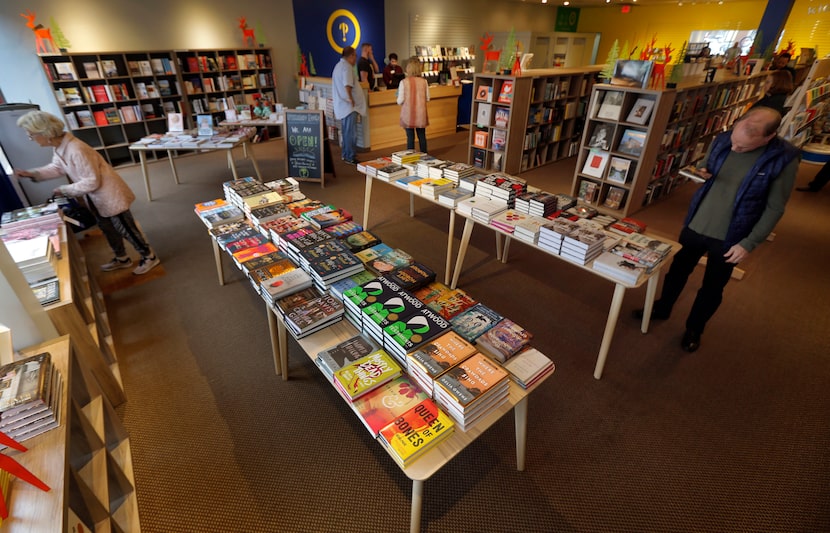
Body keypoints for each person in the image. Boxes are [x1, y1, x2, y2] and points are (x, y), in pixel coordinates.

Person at [634, 107, 799, 353]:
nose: (734, 149)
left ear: (768, 137)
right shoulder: (724, 139)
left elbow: (775, 209)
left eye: (742, 148)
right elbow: (705, 164)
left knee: (713, 286)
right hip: (697, 222)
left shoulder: (783, 159)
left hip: (732, 236)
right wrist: (699, 171)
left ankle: (694, 328)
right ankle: (663, 307)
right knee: (677, 270)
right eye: (733, 142)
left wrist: (748, 243)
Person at [15, 110, 160, 275]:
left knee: (125, 228)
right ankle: (122, 258)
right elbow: (57, 167)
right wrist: (33, 174)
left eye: (31, 135)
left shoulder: (76, 149)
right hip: (95, 197)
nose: (31, 139)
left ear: (45, 132)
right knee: (107, 228)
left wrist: (64, 190)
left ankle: (149, 256)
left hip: (110, 195)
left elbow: (92, 181)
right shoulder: (59, 146)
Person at [332, 46, 367, 165]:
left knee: (347, 131)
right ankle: (350, 156)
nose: (355, 59)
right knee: (350, 132)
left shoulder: (338, 66)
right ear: (351, 56)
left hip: (344, 106)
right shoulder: (346, 67)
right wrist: (351, 99)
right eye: (355, 56)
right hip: (348, 106)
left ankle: (346, 154)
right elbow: (348, 85)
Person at [397, 57, 430, 153]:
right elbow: (427, 98)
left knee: (410, 137)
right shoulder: (424, 82)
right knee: (422, 136)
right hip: (421, 114)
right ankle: (425, 156)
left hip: (408, 114)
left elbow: (400, 100)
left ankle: (410, 158)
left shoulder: (403, 82)